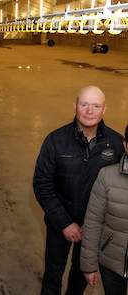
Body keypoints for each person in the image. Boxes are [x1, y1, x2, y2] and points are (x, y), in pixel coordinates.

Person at [33, 85, 124, 295]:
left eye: (96, 106)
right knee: (52, 276)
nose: (89, 111)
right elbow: (42, 185)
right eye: (84, 104)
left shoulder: (116, 144)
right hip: (59, 225)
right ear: (75, 106)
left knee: (80, 279)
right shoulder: (55, 141)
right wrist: (65, 223)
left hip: (94, 229)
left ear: (104, 110)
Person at [80, 125, 128, 295]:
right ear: (126, 145)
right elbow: (93, 221)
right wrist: (89, 266)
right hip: (111, 263)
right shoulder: (106, 176)